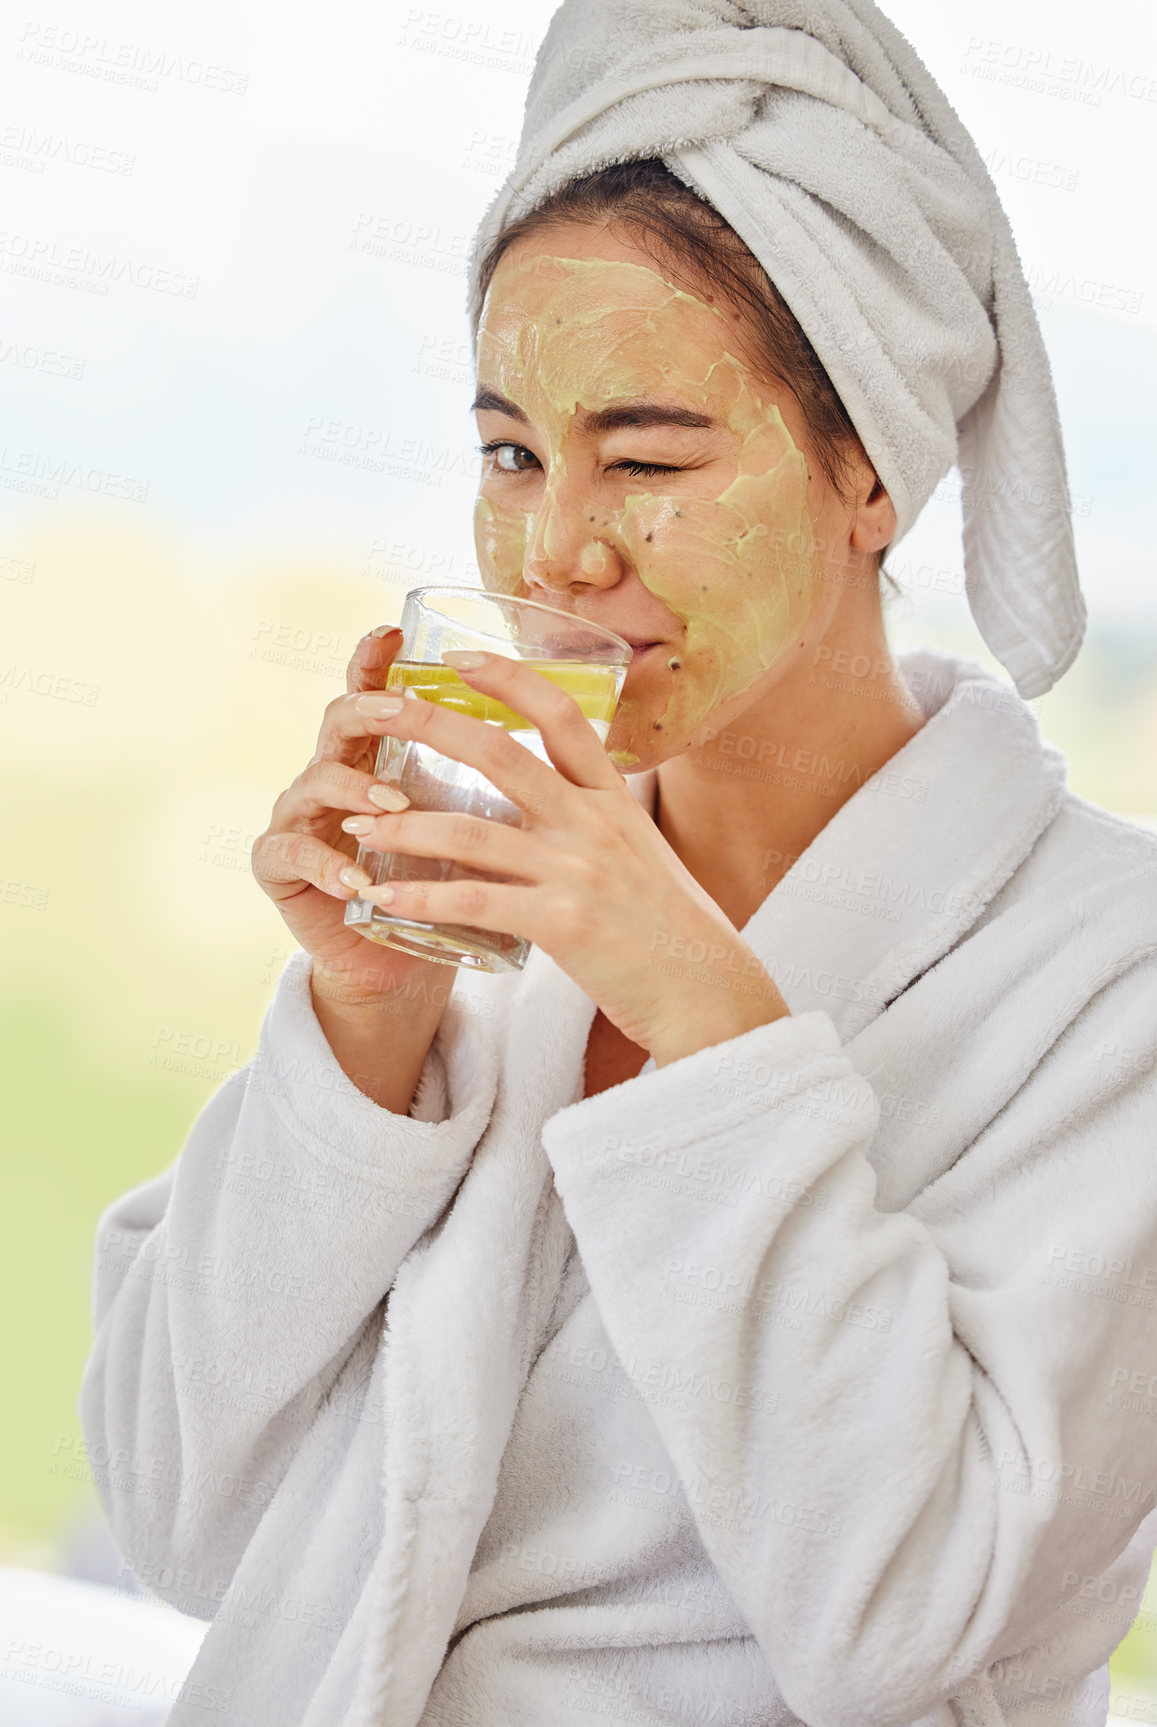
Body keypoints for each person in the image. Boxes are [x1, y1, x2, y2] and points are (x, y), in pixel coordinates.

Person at [80, 3, 1157, 1724]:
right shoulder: (484, 922)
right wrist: (360, 1040)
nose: (553, 547)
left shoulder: (1108, 976)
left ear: (867, 468)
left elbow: (905, 1626)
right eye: (511, 452)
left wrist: (704, 1023)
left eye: (646, 459)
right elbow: (176, 1515)